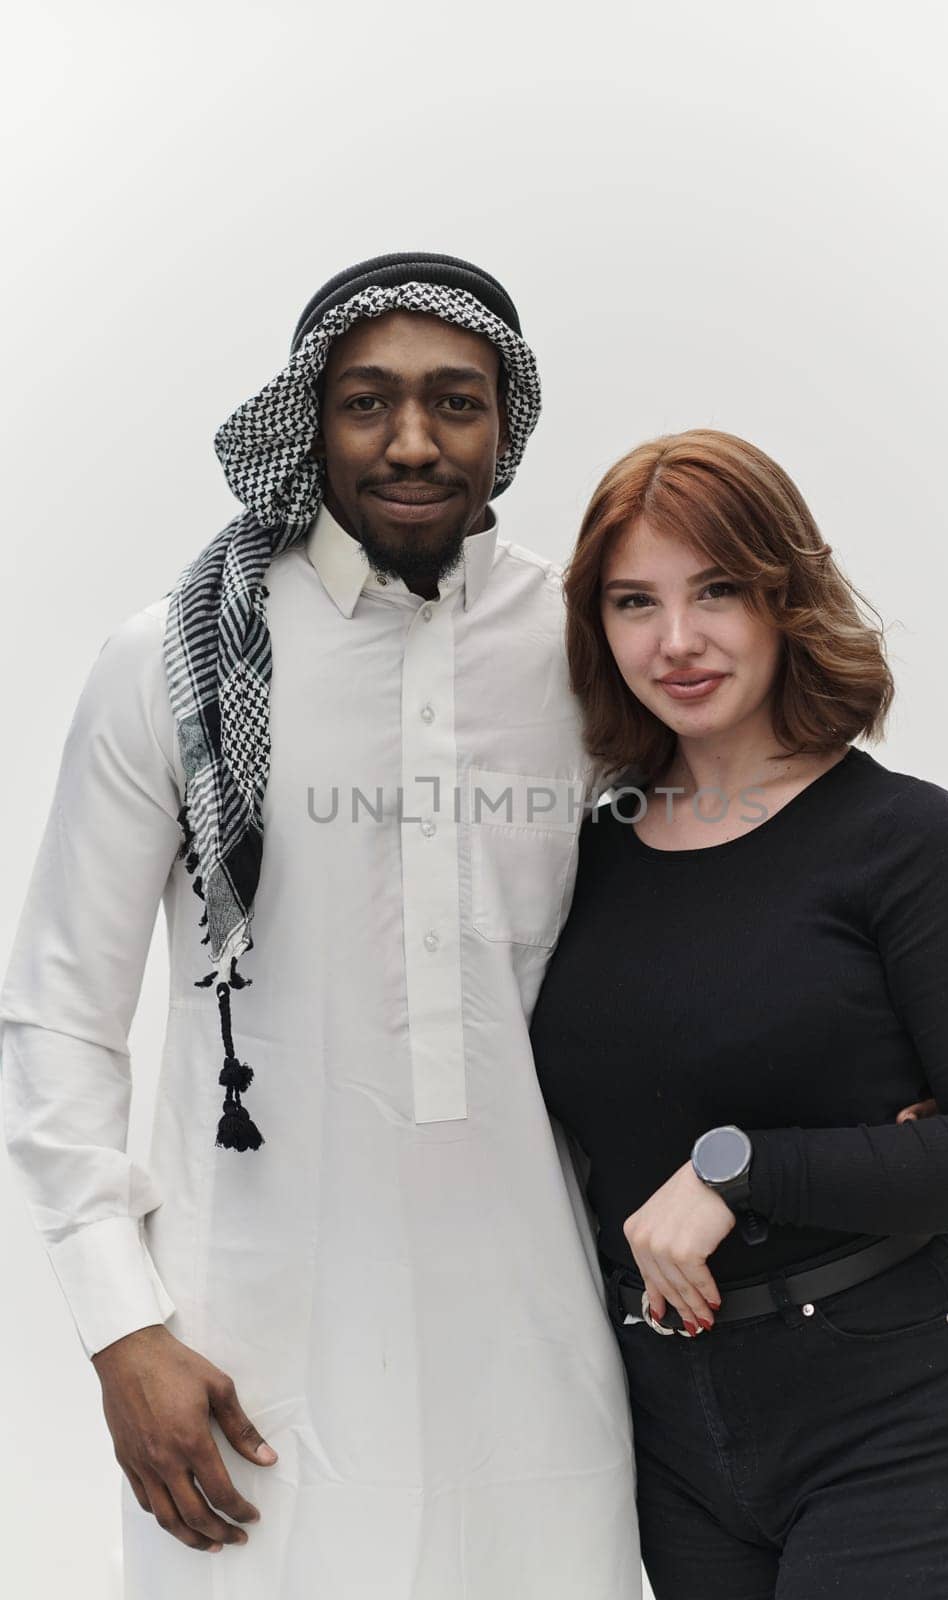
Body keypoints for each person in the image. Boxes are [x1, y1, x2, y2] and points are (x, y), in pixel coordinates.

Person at [0, 252, 644, 1599]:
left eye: (453, 401)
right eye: (367, 402)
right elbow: (61, 1011)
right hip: (247, 1344)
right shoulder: (172, 659)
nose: (411, 442)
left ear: (505, 425)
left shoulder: (586, 650)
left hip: (540, 1342)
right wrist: (123, 1329)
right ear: (309, 419)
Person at [529, 428, 948, 1598]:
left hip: (890, 1411)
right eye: (633, 601)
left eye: (715, 590)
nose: (675, 641)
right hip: (666, 1427)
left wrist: (738, 1172)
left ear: (784, 595)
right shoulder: (582, 853)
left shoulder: (902, 842)